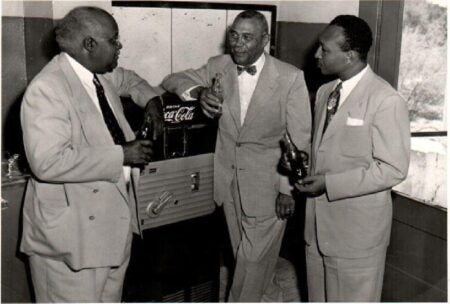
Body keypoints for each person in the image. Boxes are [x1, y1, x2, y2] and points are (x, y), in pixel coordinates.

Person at [162, 10, 311, 302]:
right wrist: (200, 91)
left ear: (265, 40)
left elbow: (299, 139)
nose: (237, 44)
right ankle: (273, 298)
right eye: (234, 35)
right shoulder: (219, 65)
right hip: (228, 181)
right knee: (250, 259)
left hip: (269, 185)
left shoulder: (290, 78)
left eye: (247, 37)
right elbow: (172, 79)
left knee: (251, 262)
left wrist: (288, 190)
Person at [20, 6, 164, 302]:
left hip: (112, 234)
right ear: (89, 45)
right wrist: (121, 155)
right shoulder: (48, 88)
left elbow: (132, 80)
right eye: (114, 41)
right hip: (72, 244)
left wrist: (153, 102)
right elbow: (48, 162)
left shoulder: (100, 77)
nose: (119, 47)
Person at [293, 15, 410, 302]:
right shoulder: (324, 92)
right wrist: (302, 162)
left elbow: (393, 169)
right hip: (317, 230)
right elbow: (327, 150)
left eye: (325, 48)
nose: (317, 54)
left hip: (356, 237)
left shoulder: (385, 99)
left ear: (351, 55)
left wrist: (328, 184)